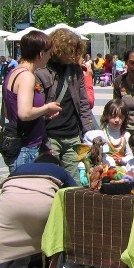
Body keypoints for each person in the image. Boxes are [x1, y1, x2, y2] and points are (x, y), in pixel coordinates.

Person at [0, 153, 76, 268]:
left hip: (6, 210)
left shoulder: (20, 169)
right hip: (42, 208)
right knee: (55, 249)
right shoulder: (59, 171)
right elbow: (76, 194)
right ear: (58, 165)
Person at [35, 28, 94, 183]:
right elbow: (38, 107)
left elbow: (83, 103)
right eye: (69, 52)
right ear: (58, 49)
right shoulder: (41, 70)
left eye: (75, 52)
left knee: (73, 182)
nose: (73, 56)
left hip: (73, 134)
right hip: (50, 135)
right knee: (50, 179)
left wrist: (88, 131)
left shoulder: (75, 70)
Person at [0, 31, 62, 172]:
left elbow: (9, 112)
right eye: (49, 53)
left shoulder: (14, 72)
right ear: (40, 54)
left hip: (21, 145)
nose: (50, 57)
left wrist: (42, 113)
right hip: (26, 148)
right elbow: (25, 113)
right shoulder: (26, 76)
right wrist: (47, 108)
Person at [82, 99, 131, 167]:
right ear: (107, 115)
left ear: (125, 118)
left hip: (123, 170)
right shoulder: (101, 135)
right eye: (113, 116)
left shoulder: (126, 135)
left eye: (121, 117)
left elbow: (131, 156)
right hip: (104, 169)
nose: (117, 120)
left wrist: (122, 160)